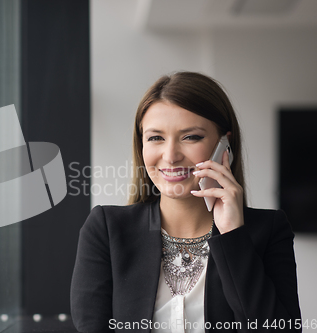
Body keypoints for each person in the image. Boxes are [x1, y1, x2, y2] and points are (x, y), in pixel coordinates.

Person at [70, 72, 301, 332]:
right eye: (155, 138)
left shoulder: (268, 230)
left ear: (225, 143)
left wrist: (233, 237)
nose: (170, 156)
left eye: (190, 137)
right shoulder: (107, 229)